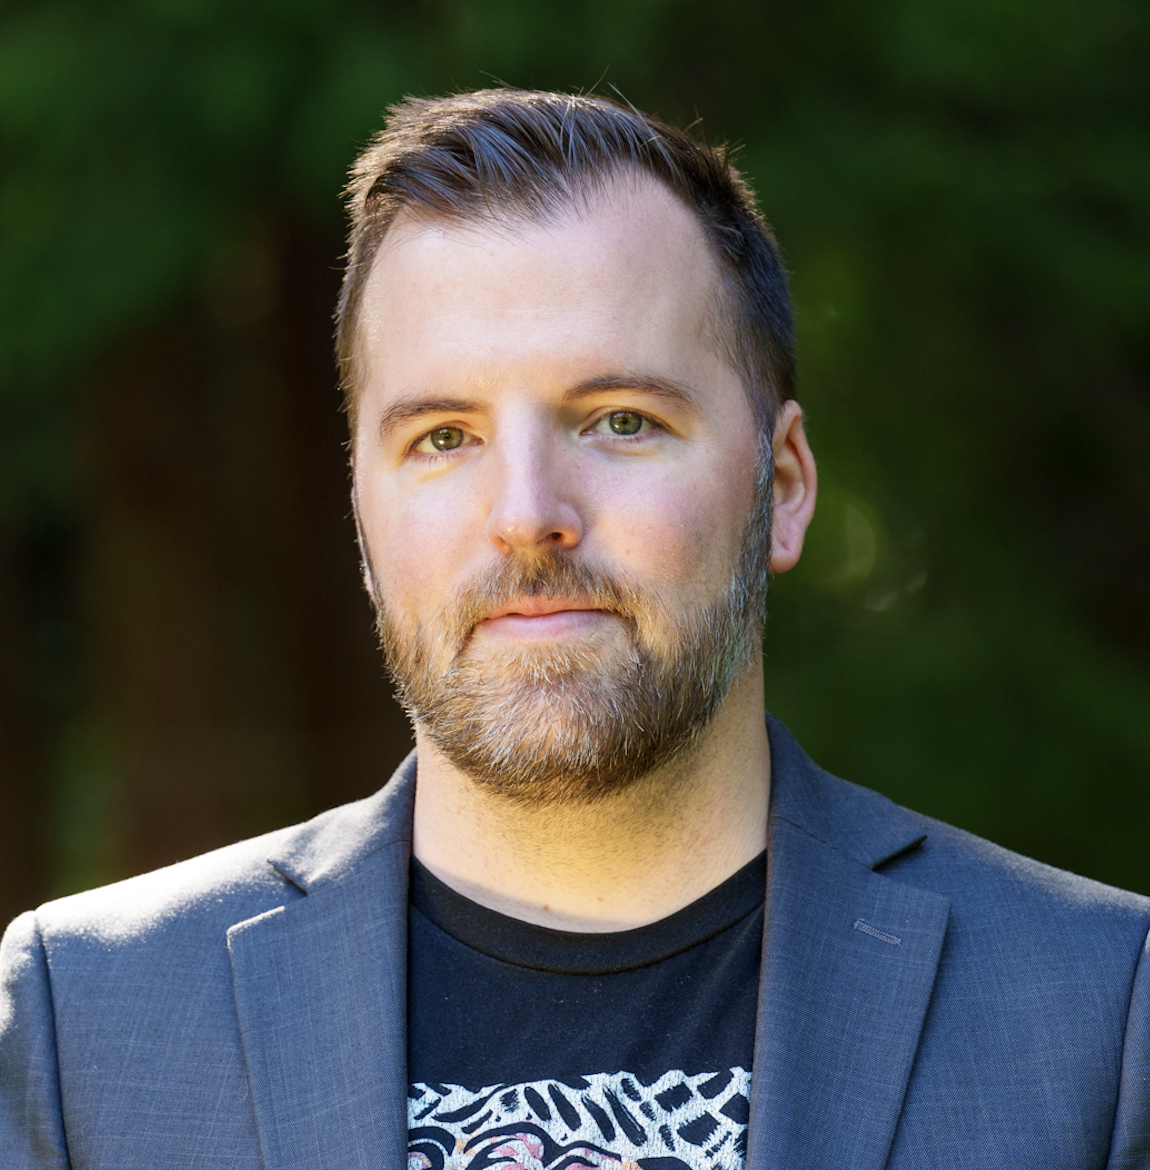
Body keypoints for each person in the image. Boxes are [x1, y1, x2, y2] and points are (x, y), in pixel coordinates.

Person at [1, 89, 1148, 1170]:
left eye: (619, 421)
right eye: (443, 438)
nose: (526, 515)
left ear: (784, 485)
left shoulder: (1100, 1012)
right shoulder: (87, 1024)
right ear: (360, 510)